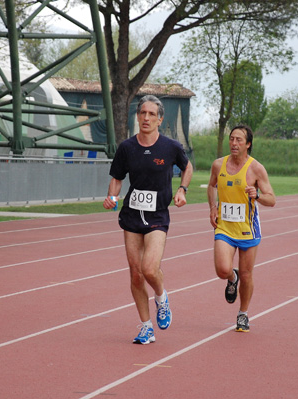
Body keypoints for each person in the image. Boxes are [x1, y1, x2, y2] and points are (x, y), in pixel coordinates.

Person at [103, 95, 193, 345]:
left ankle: (162, 298)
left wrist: (182, 189)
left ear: (160, 119)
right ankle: (146, 327)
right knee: (135, 274)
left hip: (157, 216)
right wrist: (112, 195)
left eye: (152, 114)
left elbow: (187, 167)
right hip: (131, 215)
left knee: (149, 268)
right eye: (142, 113)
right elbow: (117, 177)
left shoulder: (171, 147)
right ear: (138, 116)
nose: (146, 118)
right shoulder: (127, 147)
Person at [207, 124, 276, 333]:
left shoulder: (256, 168)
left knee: (247, 274)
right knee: (222, 269)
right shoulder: (218, 165)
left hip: (248, 228)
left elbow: (271, 199)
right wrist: (213, 207)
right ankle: (231, 278)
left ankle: (243, 314)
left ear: (248, 144)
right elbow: (211, 186)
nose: (234, 143)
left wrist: (257, 195)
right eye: (231, 139)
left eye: (239, 140)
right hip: (225, 228)